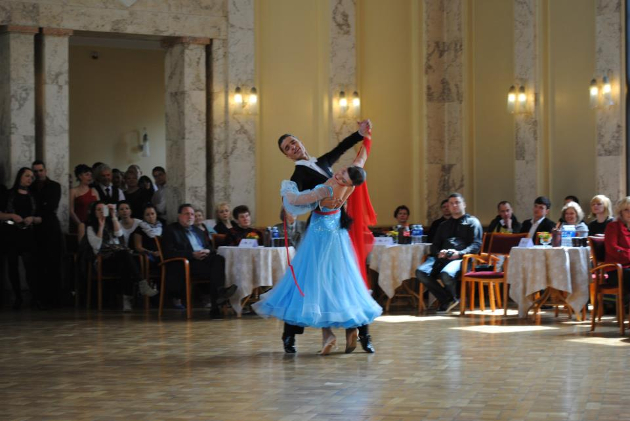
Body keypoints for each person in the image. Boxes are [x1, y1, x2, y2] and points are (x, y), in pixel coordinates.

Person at [253, 133, 382, 356]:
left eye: (293, 142)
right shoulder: (298, 173)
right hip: (320, 232)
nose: (292, 147)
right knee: (307, 280)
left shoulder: (322, 162)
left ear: (300, 142)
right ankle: (290, 335)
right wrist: (287, 210)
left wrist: (361, 135)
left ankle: (362, 334)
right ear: (286, 155)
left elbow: (342, 148)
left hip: (338, 230)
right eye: (287, 148)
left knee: (345, 280)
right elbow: (293, 200)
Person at [161, 204, 236, 318]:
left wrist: (207, 251)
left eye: (192, 214)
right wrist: (192, 254)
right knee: (216, 270)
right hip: (185, 263)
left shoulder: (198, 231)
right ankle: (217, 302)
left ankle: (218, 300)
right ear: (179, 216)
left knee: (219, 259)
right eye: (187, 214)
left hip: (203, 261)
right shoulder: (171, 230)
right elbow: (169, 253)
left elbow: (210, 247)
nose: (190, 217)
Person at [415, 193, 483, 312]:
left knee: (446, 273)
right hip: (441, 258)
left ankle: (448, 300)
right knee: (420, 272)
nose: (454, 205)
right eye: (451, 203)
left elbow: (476, 245)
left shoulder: (473, 222)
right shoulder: (443, 225)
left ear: (464, 204)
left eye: (457, 202)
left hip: (462, 259)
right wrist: (438, 252)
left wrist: (459, 253)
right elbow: (434, 245)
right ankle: (448, 299)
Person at [85, 201, 157, 311]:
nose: (101, 212)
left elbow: (119, 235)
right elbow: (97, 246)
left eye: (102, 209)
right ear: (94, 212)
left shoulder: (112, 223)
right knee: (125, 256)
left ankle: (127, 299)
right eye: (98, 210)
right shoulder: (90, 228)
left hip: (117, 258)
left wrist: (113, 215)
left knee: (125, 263)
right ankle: (139, 285)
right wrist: (100, 226)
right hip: (103, 261)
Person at [0, 168, 42, 310]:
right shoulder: (8, 194)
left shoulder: (34, 195)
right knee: (13, 266)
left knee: (30, 266)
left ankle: (34, 297)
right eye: (27, 176)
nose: (29, 179)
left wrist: (32, 218)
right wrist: (12, 216)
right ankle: (17, 297)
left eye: (31, 177)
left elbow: (41, 218)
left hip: (28, 234)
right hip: (11, 233)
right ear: (20, 177)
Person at [30, 160, 63, 308]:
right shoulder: (31, 187)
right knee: (38, 264)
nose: (38, 174)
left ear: (45, 170)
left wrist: (39, 215)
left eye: (40, 170)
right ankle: (40, 297)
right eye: (35, 171)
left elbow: (51, 206)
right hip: (36, 230)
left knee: (52, 263)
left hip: (50, 229)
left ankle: (54, 298)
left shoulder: (54, 186)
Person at [602, 197, 630, 296]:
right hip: (616, 269)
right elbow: (612, 249)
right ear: (621, 212)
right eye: (626, 210)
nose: (629, 213)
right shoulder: (613, 226)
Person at [69, 164, 99, 239]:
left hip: (93, 225)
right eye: (87, 175)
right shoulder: (73, 191)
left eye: (90, 175)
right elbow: (71, 211)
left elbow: (99, 207)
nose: (90, 177)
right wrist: (80, 225)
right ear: (80, 176)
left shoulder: (94, 190)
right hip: (79, 224)